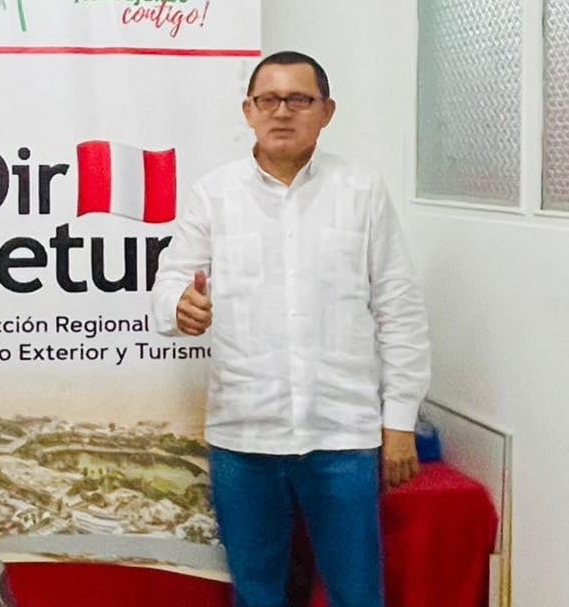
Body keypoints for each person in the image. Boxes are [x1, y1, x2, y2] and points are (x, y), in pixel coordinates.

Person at [151, 51, 430, 607]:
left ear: (327, 111)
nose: (282, 112)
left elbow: (399, 308)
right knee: (258, 593)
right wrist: (179, 307)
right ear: (249, 111)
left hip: (342, 436)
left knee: (357, 594)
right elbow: (170, 282)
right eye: (269, 100)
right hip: (244, 436)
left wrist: (399, 422)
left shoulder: (361, 191)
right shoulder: (214, 194)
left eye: (299, 99)